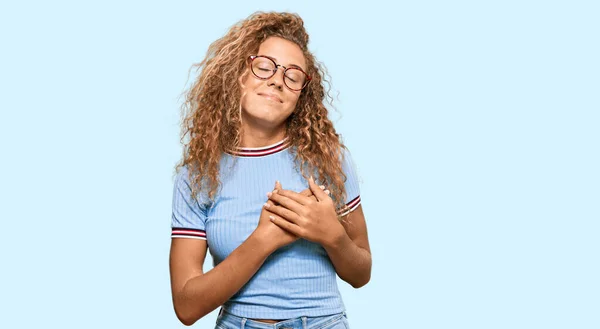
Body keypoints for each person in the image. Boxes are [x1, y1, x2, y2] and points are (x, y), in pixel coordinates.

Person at [169, 11, 371, 329]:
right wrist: (265, 238)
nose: (276, 79)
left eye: (292, 76)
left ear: (302, 94)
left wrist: (333, 237)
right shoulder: (197, 175)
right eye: (264, 67)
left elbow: (361, 273)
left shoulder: (328, 158)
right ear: (239, 73)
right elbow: (186, 306)